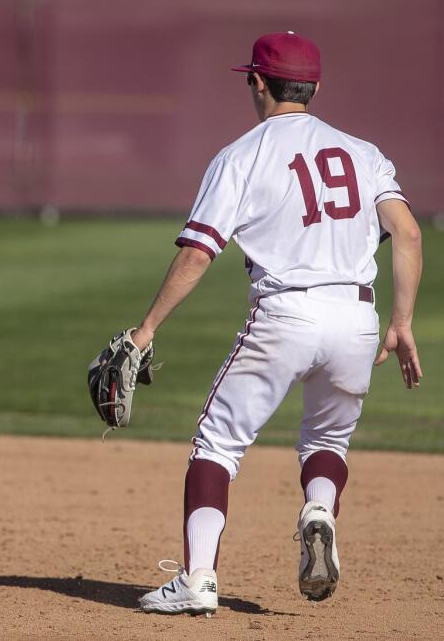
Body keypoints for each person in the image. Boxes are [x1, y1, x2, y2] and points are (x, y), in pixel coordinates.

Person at [131, 32, 422, 614]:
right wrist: (402, 322)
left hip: (286, 311)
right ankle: (319, 509)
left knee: (217, 444)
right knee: (327, 440)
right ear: (315, 87)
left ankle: (197, 580)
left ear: (257, 82)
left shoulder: (242, 154)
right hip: (357, 315)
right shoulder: (363, 152)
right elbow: (409, 233)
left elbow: (197, 253)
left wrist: (145, 331)